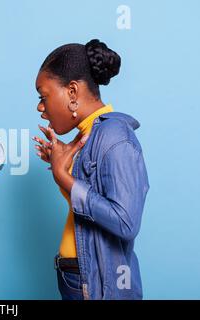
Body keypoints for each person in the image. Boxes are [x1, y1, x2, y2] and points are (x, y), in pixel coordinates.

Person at [33, 39, 149, 299]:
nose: (40, 107)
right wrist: (64, 169)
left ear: (72, 92)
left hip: (96, 283)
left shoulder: (115, 138)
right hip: (76, 277)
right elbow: (86, 209)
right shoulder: (89, 136)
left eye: (44, 97)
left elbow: (125, 221)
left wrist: (65, 177)